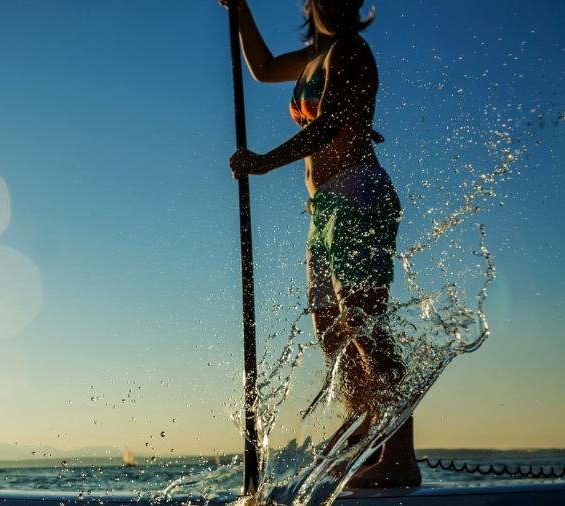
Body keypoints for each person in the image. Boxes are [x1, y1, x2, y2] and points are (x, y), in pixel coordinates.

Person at [221, 0, 421, 487]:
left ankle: (401, 455)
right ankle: (368, 427)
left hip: (359, 193)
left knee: (364, 324)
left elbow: (330, 123)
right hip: (324, 209)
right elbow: (264, 68)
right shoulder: (314, 57)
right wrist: (240, 7)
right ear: (310, 4)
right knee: (333, 334)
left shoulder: (351, 51)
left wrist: (266, 162)